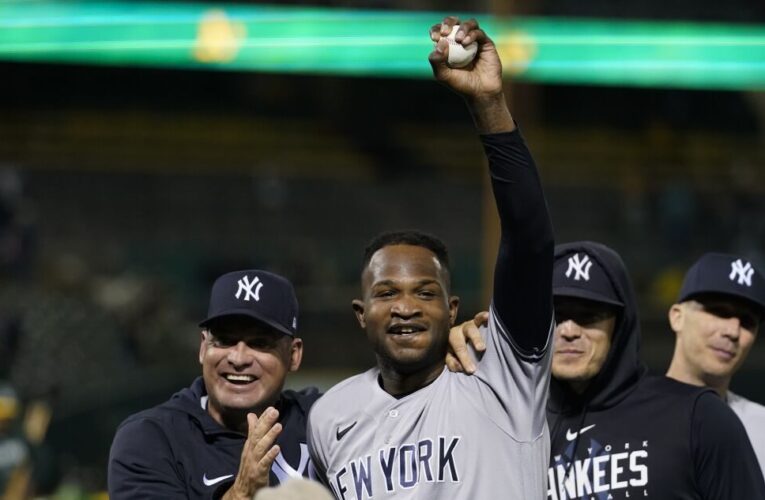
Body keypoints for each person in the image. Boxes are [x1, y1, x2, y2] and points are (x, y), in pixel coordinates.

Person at [307, 17, 555, 499]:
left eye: (426, 292)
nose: (406, 307)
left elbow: (530, 240)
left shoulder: (503, 377)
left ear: (453, 309)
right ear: (361, 315)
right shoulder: (329, 416)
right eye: (386, 293)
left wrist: (489, 105)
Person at [545, 241, 764, 499]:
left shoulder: (702, 417)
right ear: (676, 316)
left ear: (620, 325)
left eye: (589, 316)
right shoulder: (519, 426)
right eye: (556, 315)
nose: (569, 330)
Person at [108, 270, 318, 500]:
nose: (238, 359)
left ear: (294, 355)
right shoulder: (151, 439)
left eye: (260, 343)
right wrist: (242, 493)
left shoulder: (324, 422)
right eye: (224, 341)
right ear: (203, 348)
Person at [666, 252, 765, 476]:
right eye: (719, 312)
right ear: (677, 317)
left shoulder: (762, 429)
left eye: (747, 322)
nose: (732, 332)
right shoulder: (626, 416)